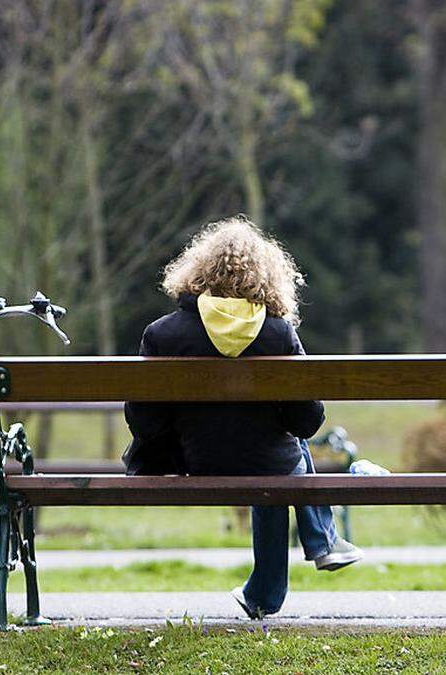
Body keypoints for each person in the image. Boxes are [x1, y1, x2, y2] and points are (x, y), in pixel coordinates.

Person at [124, 215, 363, 619]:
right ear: (267, 276)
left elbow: (145, 423)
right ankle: (321, 541)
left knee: (276, 454)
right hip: (270, 465)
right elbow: (307, 421)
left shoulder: (162, 333)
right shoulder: (278, 334)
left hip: (195, 462)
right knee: (281, 454)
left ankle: (264, 595)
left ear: (198, 271)